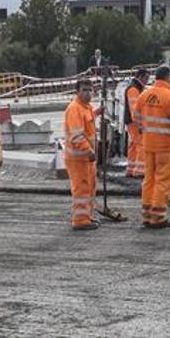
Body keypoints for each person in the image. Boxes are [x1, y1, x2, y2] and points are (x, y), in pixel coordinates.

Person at [133, 65, 170, 228]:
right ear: (169, 77)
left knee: (149, 180)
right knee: (163, 181)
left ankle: (147, 214)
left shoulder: (144, 95)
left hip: (149, 145)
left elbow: (135, 117)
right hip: (165, 146)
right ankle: (158, 216)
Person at [63, 78, 100, 231]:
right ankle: (80, 220)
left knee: (90, 187)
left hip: (85, 158)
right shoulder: (74, 109)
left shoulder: (86, 107)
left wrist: (97, 113)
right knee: (81, 189)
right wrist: (89, 150)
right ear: (77, 92)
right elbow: (77, 136)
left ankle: (87, 216)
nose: (88, 93)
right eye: (84, 90)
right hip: (78, 158)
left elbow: (86, 124)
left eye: (90, 90)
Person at [124, 68, 149, 178]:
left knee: (134, 145)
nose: (147, 81)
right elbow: (134, 109)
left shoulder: (134, 87)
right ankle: (140, 171)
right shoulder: (134, 89)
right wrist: (140, 123)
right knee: (141, 144)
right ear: (141, 77)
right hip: (135, 122)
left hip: (132, 121)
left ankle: (131, 168)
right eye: (146, 78)